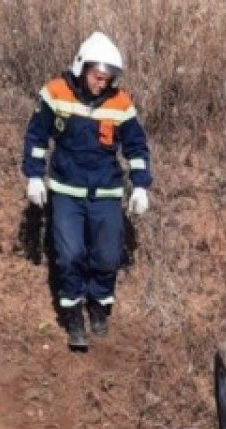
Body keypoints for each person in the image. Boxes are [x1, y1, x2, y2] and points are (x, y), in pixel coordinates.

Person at [22, 32, 152, 350]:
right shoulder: (55, 93)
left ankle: (99, 309)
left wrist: (141, 186)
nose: (101, 84)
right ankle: (74, 318)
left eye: (107, 79)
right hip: (66, 191)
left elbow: (136, 146)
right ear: (82, 67)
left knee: (107, 257)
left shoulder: (121, 103)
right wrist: (34, 177)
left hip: (106, 192)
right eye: (97, 77)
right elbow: (36, 137)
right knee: (69, 256)